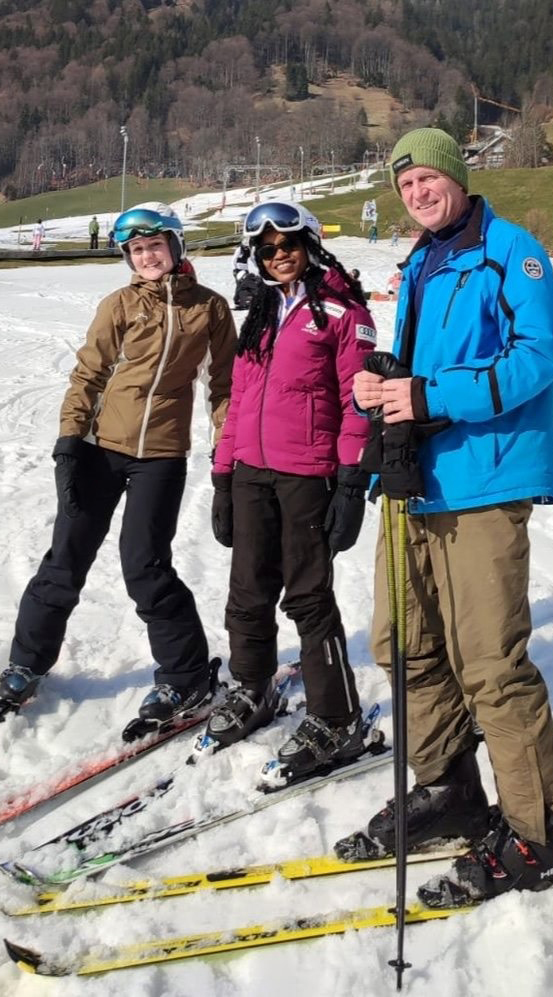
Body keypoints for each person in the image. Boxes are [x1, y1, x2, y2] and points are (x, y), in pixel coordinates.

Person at [336, 127, 553, 902]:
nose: (417, 194)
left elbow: (538, 358)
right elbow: (413, 369)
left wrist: (433, 396)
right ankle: (449, 789)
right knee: (402, 643)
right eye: (405, 187)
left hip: (485, 483)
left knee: (491, 665)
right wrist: (380, 386)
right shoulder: (419, 264)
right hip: (415, 484)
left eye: (427, 180)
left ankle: (543, 836)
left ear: (457, 175)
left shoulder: (512, 250)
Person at [0, 202, 237, 728]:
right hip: (103, 448)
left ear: (175, 246)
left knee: (145, 565)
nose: (147, 256)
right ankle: (27, 663)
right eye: (137, 250)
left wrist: (226, 448)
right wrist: (69, 441)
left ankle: (184, 675)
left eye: (155, 246)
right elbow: (89, 376)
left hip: (162, 456)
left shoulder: (210, 309)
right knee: (66, 557)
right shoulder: (120, 305)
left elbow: (224, 387)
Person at [206, 201, 377, 779]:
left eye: (288, 246)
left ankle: (336, 716)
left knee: (307, 596)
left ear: (308, 244)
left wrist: (351, 481)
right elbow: (237, 403)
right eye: (267, 250)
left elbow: (360, 402)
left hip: (308, 475)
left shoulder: (340, 311)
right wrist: (223, 476)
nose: (279, 257)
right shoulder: (258, 313)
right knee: (247, 590)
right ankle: (253, 688)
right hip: (252, 471)